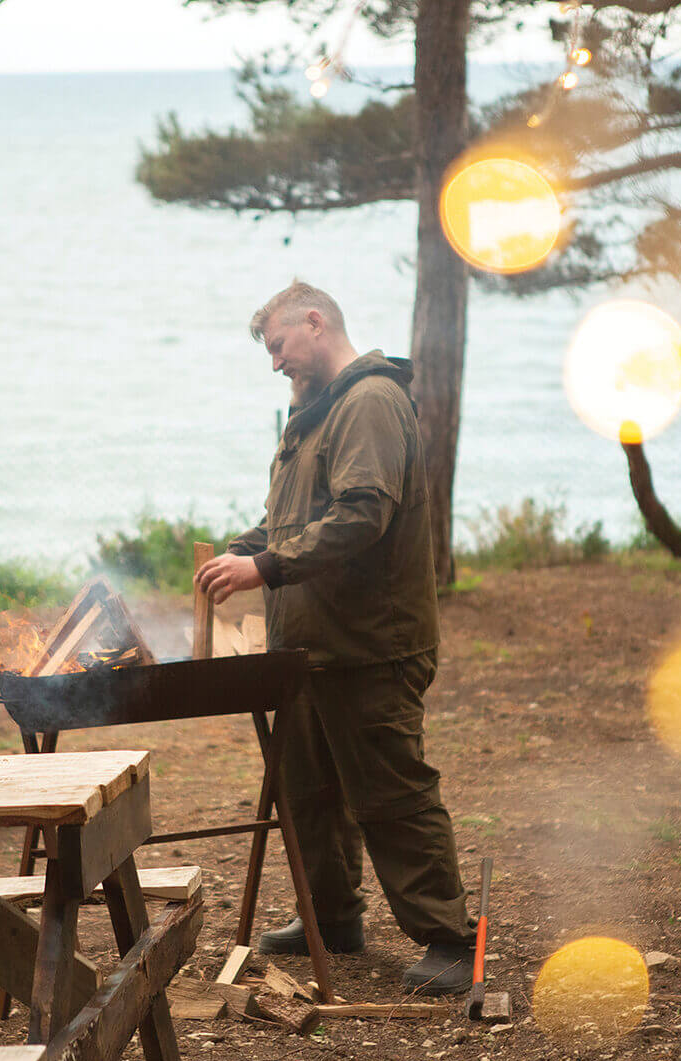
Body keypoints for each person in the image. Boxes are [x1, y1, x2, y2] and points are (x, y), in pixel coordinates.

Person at [195, 280, 473, 995]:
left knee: (390, 791)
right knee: (309, 793)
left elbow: (361, 515)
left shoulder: (370, 402)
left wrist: (265, 565)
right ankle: (333, 919)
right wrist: (244, 550)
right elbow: (290, 520)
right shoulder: (312, 415)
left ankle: (447, 938)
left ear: (315, 324)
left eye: (280, 346)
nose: (276, 363)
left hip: (371, 644)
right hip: (312, 647)